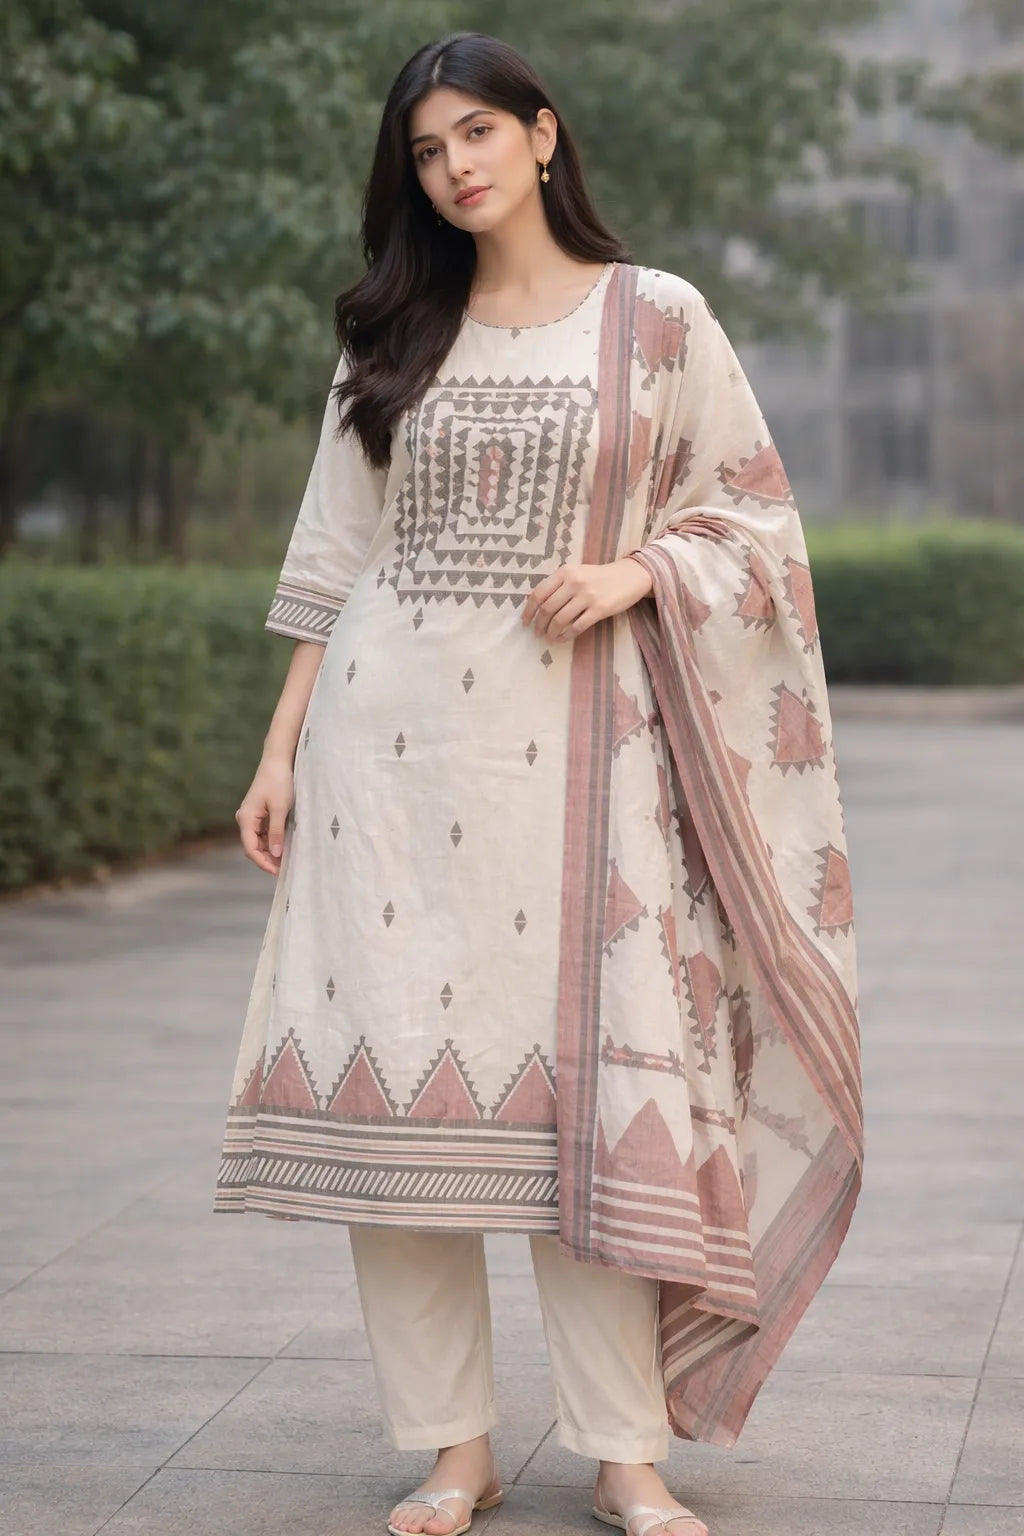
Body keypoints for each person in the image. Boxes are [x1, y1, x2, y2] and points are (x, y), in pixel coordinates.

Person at [214, 30, 863, 1536]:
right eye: (427, 152)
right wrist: (277, 748)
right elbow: (335, 553)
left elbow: (756, 523)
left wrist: (639, 567)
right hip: (381, 761)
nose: (455, 170)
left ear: (544, 134)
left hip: (579, 770)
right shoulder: (390, 329)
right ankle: (453, 1447)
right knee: (406, 1115)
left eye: (477, 136)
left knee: (589, 1105)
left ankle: (623, 1450)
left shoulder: (657, 318)